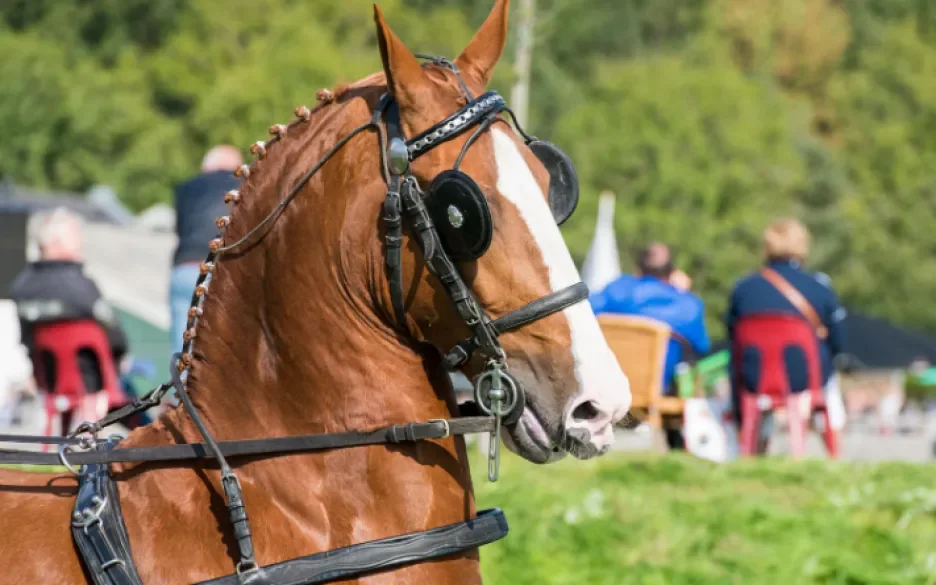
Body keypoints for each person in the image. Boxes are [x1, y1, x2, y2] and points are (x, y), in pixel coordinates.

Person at [590, 242, 711, 448]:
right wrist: (682, 291)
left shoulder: (615, 290)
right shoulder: (688, 305)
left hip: (609, 385)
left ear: (638, 270)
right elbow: (702, 347)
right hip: (659, 391)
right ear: (672, 272)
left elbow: (583, 314)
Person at [8, 207, 128, 392]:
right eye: (76, 237)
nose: (81, 244)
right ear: (56, 242)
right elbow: (116, 338)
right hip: (92, 383)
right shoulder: (82, 286)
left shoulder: (21, 287)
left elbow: (26, 338)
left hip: (47, 381)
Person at [171, 145, 242, 353]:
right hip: (223, 273)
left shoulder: (186, 188)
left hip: (185, 268)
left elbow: (181, 229)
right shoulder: (245, 185)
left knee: (181, 349)